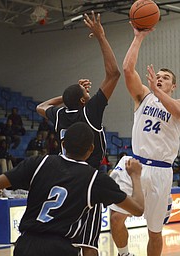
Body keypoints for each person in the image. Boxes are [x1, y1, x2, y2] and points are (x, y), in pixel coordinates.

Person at [0, 122, 144, 256]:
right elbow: (137, 209)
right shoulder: (96, 179)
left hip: (25, 245)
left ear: (63, 144)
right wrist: (135, 176)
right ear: (91, 149)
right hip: (60, 248)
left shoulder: (39, 162)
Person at [36, 11, 120, 256]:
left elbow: (40, 107)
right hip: (88, 178)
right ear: (85, 101)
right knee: (88, 242)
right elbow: (114, 74)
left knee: (67, 240)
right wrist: (101, 37)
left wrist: (69, 94)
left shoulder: (60, 115)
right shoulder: (89, 113)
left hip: (61, 177)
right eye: (86, 96)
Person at [109, 23, 180, 256]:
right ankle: (125, 255)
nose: (161, 79)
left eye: (166, 78)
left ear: (173, 86)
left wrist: (158, 90)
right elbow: (127, 70)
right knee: (116, 218)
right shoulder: (143, 97)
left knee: (155, 233)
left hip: (161, 172)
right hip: (134, 164)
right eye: (159, 77)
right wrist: (138, 37)